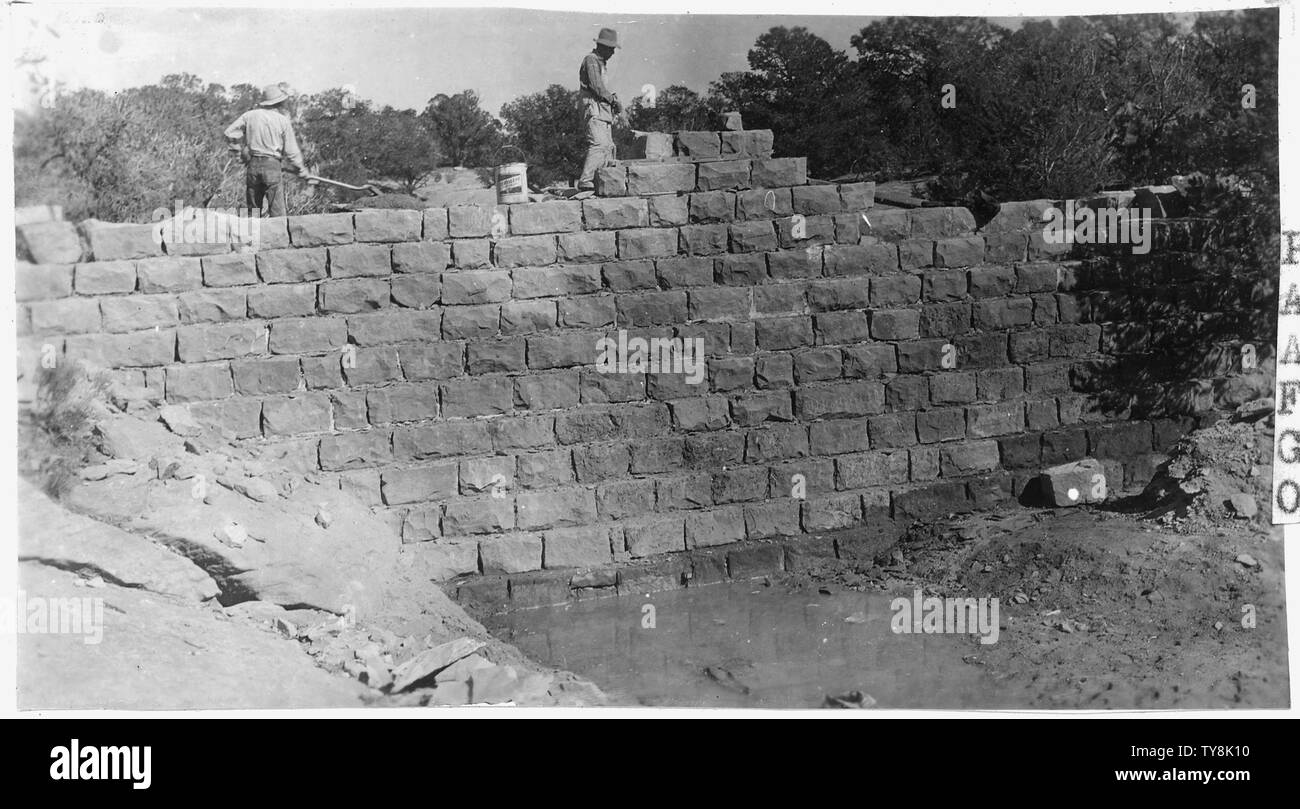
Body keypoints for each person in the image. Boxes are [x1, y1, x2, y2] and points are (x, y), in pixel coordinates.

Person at [224, 84, 309, 217]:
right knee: (277, 213)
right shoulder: (283, 121)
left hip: (253, 166)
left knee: (254, 212)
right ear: (279, 103)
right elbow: (291, 151)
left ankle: (254, 237)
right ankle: (280, 237)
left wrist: (238, 152)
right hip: (272, 166)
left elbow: (229, 133)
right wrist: (302, 169)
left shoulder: (249, 116)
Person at [577, 28, 622, 192]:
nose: (612, 53)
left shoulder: (601, 63)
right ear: (602, 46)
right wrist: (612, 100)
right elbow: (596, 86)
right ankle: (586, 180)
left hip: (603, 111)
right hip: (593, 109)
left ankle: (602, 182)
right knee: (598, 144)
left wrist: (613, 101)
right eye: (611, 49)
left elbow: (603, 87)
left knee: (608, 147)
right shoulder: (591, 60)